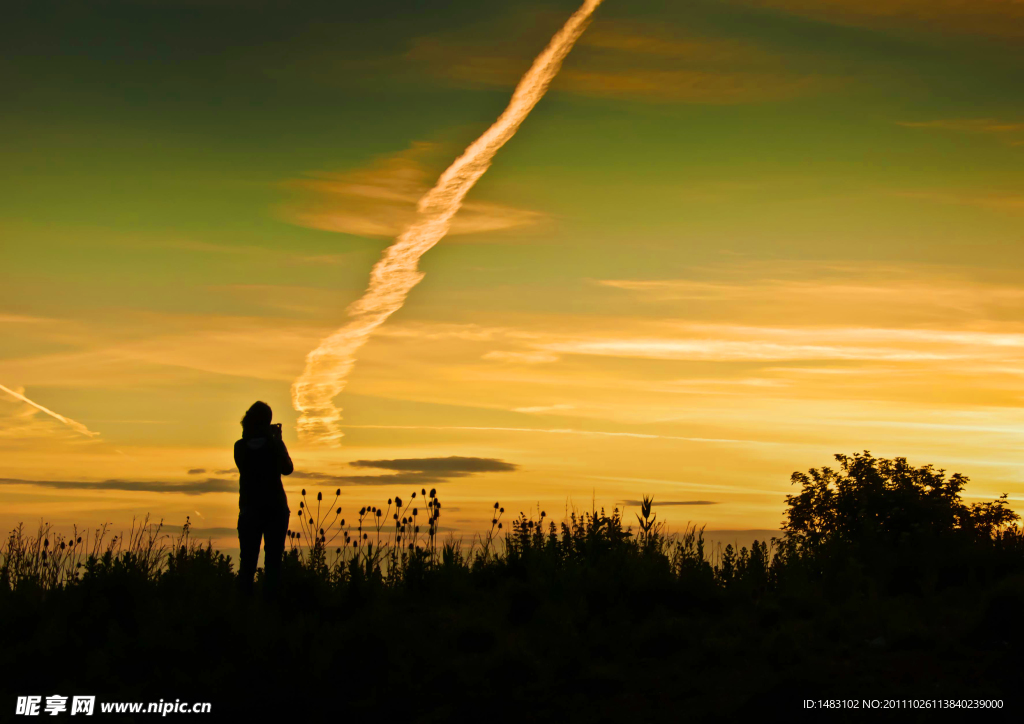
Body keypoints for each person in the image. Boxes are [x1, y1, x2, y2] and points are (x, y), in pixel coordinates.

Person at [234, 401, 293, 595]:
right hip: (275, 510)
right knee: (274, 565)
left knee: (247, 565)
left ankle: (244, 611)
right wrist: (278, 440)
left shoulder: (240, 447)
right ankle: (271, 612)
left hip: (250, 512)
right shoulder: (273, 445)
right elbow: (288, 469)